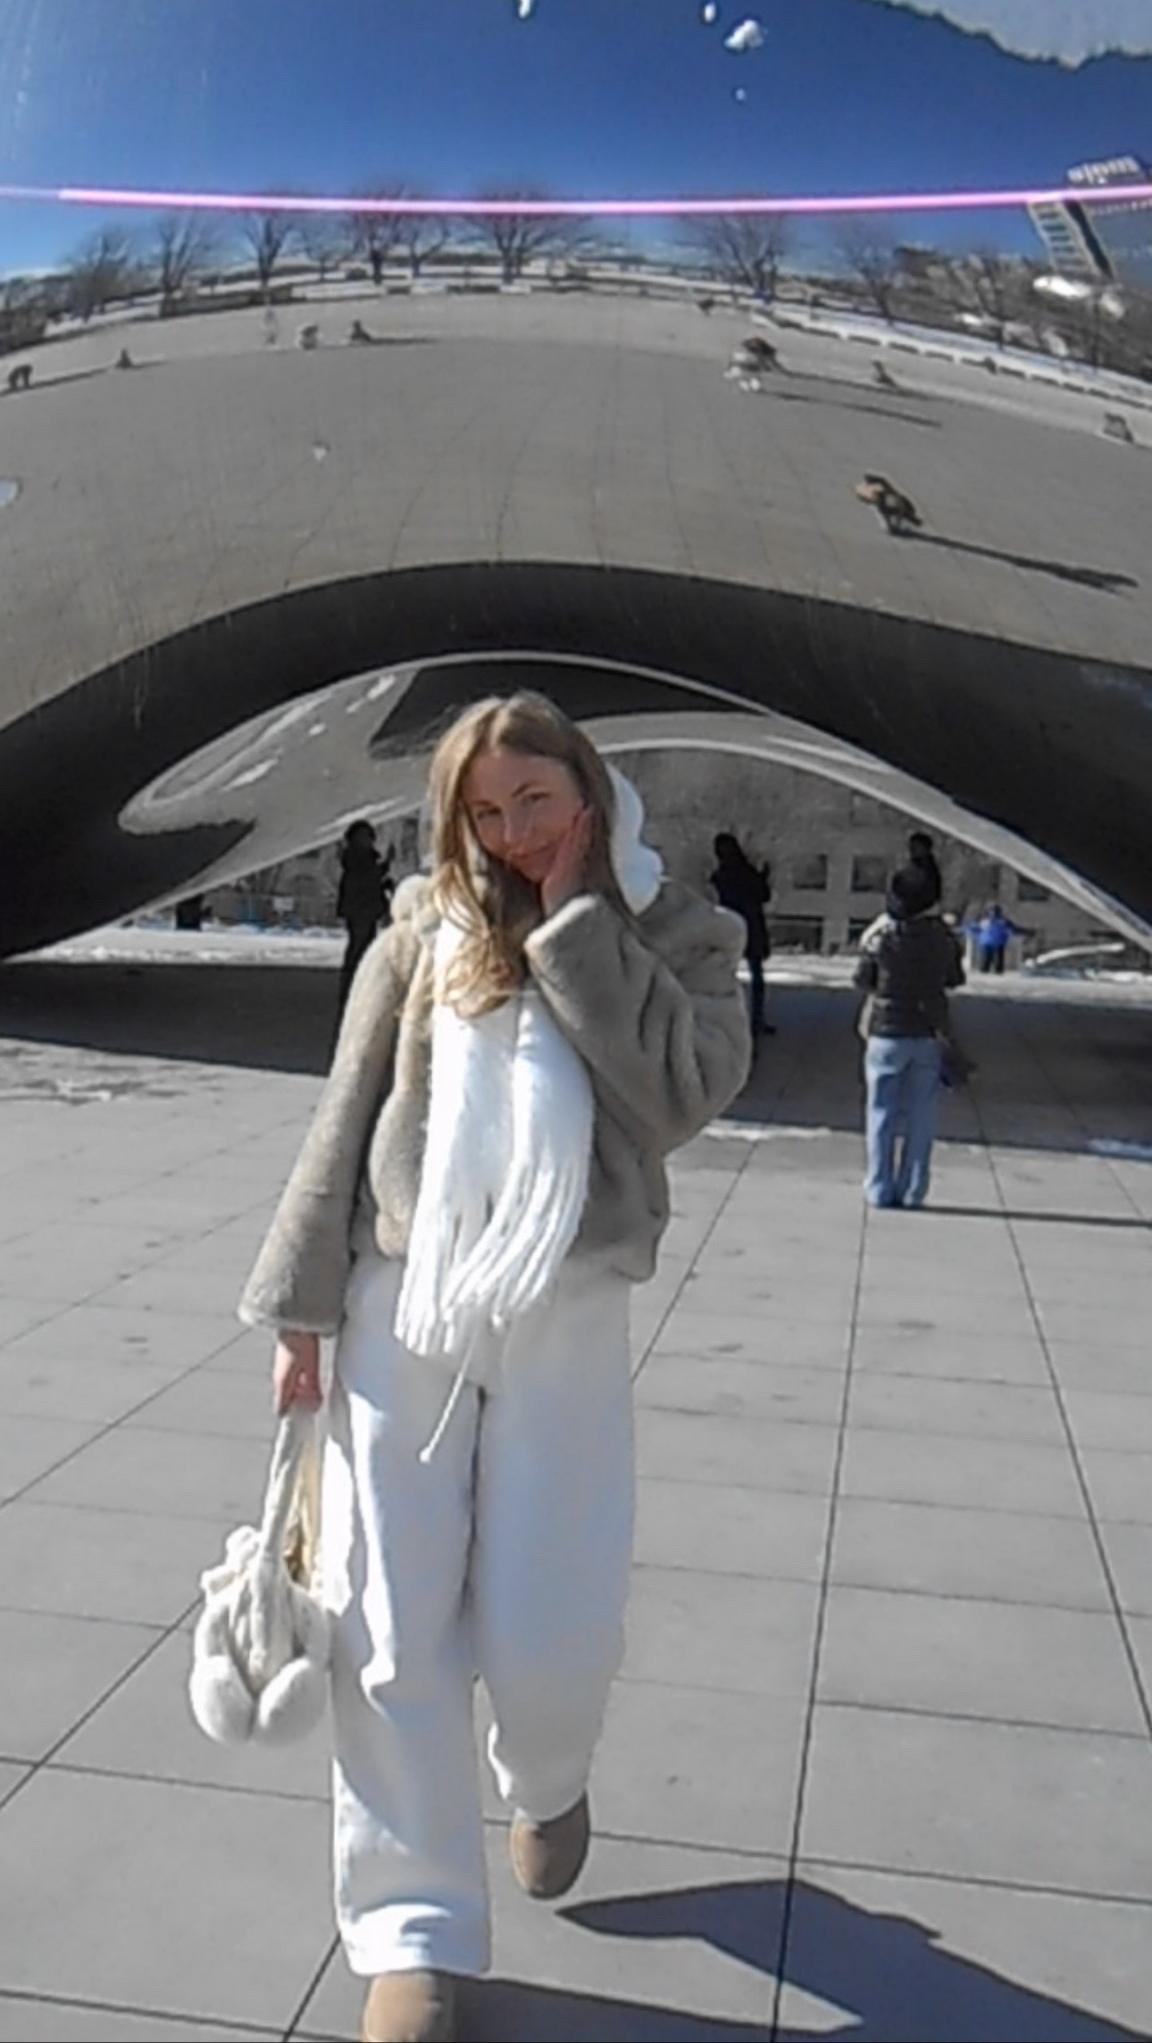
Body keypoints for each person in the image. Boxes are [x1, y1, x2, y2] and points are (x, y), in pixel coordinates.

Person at [238, 692, 750, 2043]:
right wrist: (301, 1309)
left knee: (551, 1619)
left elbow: (682, 1094)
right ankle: (408, 1931)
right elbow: (343, 1120)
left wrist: (581, 923)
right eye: (487, 810)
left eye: (537, 802)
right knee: (389, 1624)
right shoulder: (419, 935)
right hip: (406, 1303)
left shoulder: (675, 930)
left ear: (588, 794)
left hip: (567, 1307)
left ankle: (548, 1772)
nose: (513, 833)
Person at [853, 863, 964, 1210]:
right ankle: (914, 1189)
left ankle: (879, 1187)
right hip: (928, 1031)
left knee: (881, 1111)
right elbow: (954, 979)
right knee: (922, 1115)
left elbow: (862, 979)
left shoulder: (882, 937)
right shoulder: (944, 939)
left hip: (886, 1031)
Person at [708, 832, 774, 1039]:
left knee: (724, 973)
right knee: (756, 975)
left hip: (729, 927)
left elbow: (716, 901)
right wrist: (764, 877)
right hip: (752, 925)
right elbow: (764, 895)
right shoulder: (748, 872)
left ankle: (724, 1018)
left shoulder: (719, 876)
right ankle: (757, 1019)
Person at [336, 822, 394, 1013]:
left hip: (364, 910)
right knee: (359, 947)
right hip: (361, 910)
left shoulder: (360, 860)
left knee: (363, 946)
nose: (368, 841)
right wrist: (384, 870)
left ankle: (355, 984)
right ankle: (353, 984)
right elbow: (366, 881)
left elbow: (370, 880)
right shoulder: (357, 859)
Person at [964, 901, 1029, 975]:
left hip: (988, 942)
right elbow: (1013, 929)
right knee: (995, 959)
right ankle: (995, 970)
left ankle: (987, 970)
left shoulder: (984, 921)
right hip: (997, 942)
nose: (993, 913)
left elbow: (975, 929)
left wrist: (969, 931)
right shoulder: (1002, 921)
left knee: (988, 959)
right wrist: (1025, 932)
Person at [907, 830, 942, 907]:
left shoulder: (927, 870)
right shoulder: (917, 865)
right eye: (911, 847)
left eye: (916, 847)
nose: (912, 850)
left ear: (926, 849)